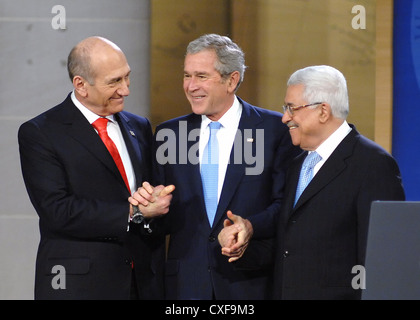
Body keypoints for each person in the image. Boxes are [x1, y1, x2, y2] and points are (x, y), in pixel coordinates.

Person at [129, 33, 301, 300]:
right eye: (187, 75)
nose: (191, 86)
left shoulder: (273, 131)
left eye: (201, 76)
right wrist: (150, 214)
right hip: (185, 286)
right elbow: (161, 220)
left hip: (249, 283)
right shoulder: (169, 134)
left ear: (231, 80)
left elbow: (285, 206)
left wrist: (249, 226)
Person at [218, 65, 406, 300]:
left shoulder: (373, 165)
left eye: (291, 108)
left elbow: (383, 262)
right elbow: (288, 248)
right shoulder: (298, 164)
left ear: (323, 111)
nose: (285, 117)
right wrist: (241, 248)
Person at [18, 36, 172, 300]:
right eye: (114, 81)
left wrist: (155, 202)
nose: (126, 90)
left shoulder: (140, 127)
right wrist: (133, 210)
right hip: (80, 286)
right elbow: (57, 210)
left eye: (127, 77)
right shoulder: (41, 132)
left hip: (143, 283)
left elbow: (149, 197)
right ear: (81, 85)